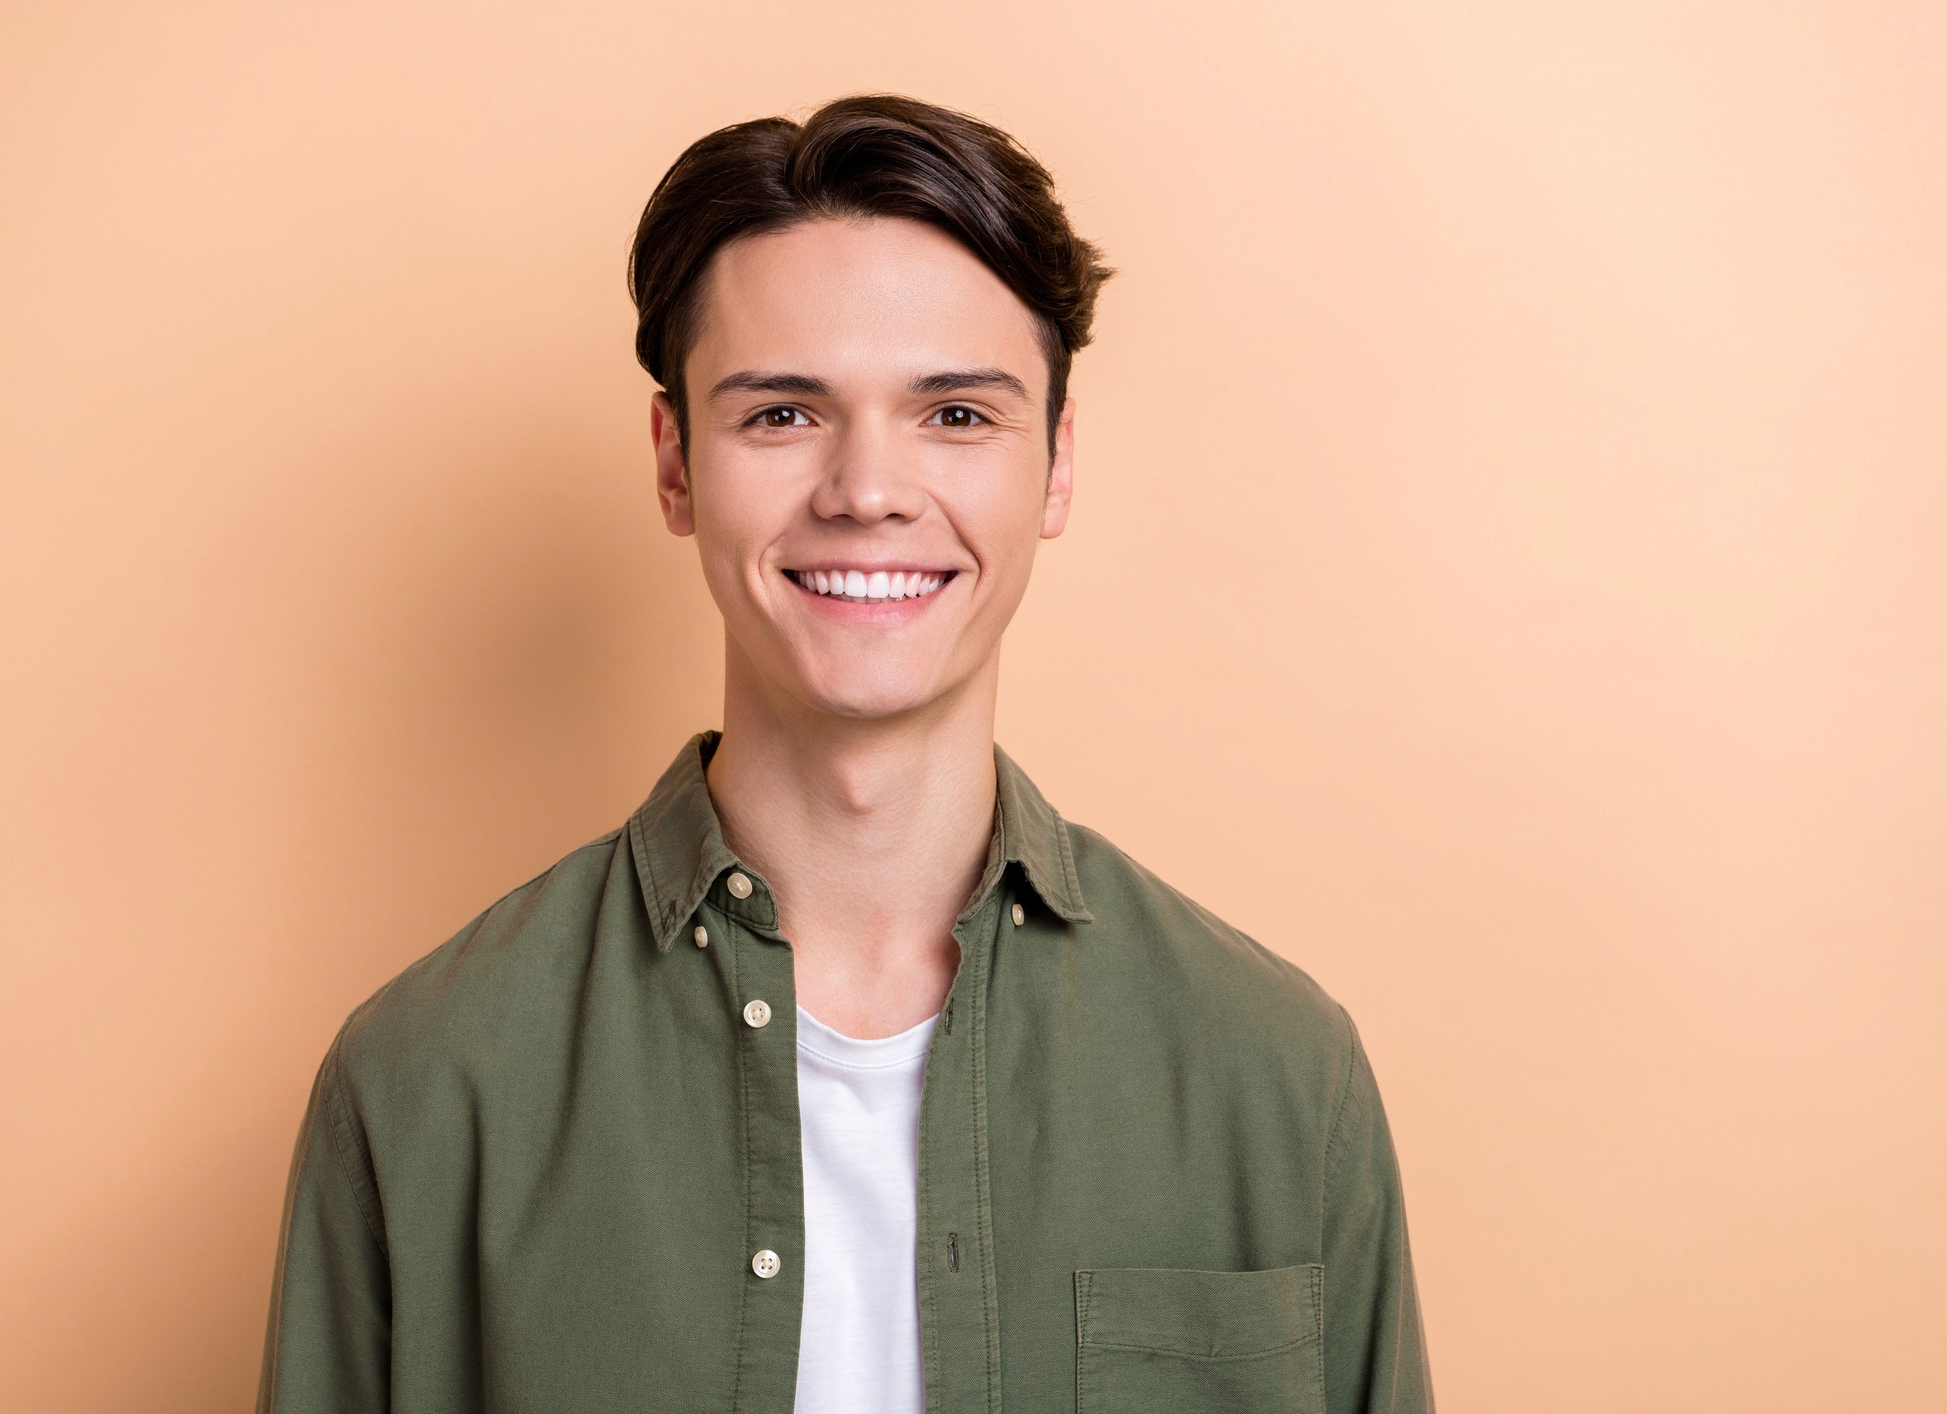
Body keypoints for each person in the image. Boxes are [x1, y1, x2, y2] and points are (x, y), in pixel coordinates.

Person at [258, 93, 1432, 1414]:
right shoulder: (428, 1081)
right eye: (781, 415)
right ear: (673, 463)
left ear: (1053, 464)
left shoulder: (1271, 1071)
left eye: (955, 415)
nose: (866, 489)